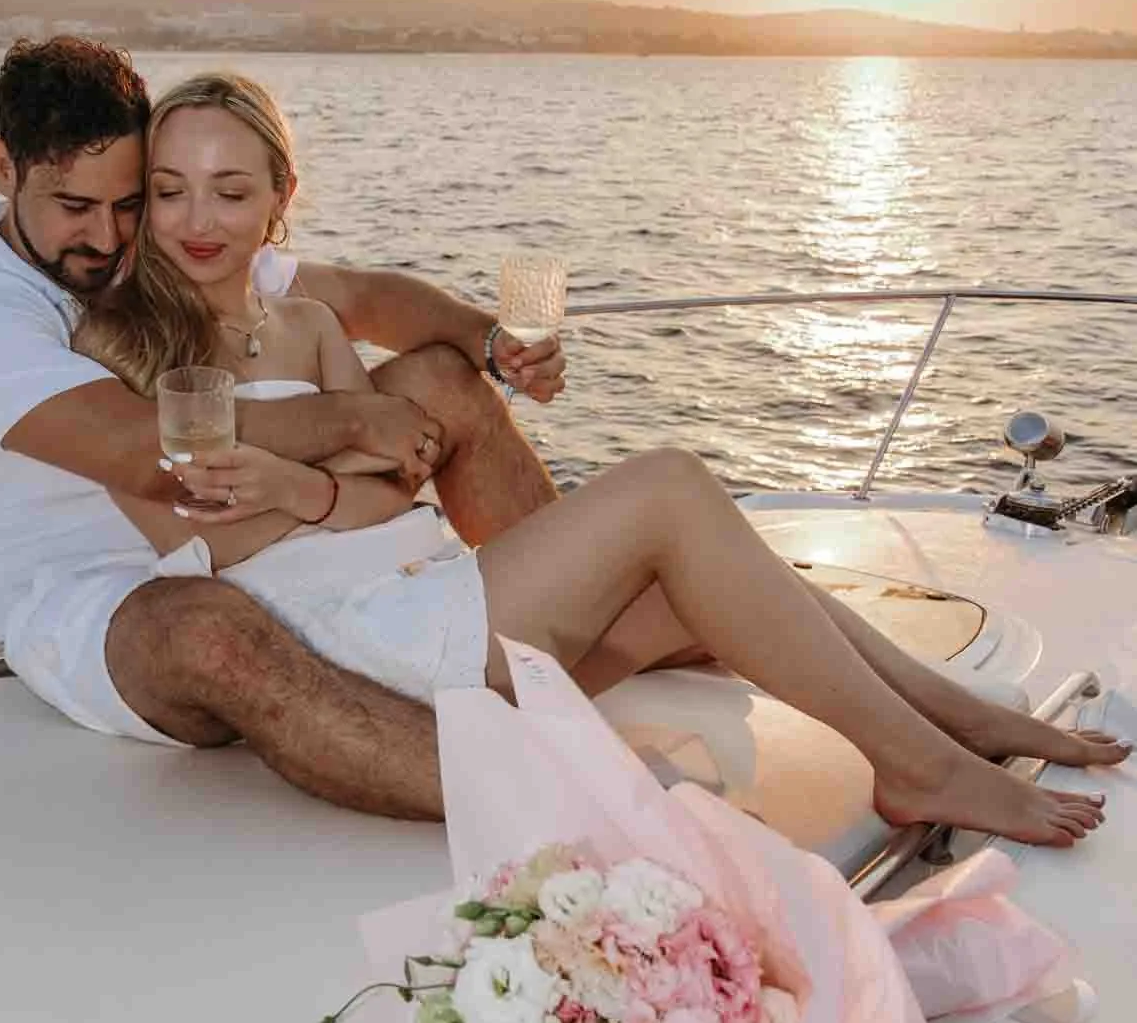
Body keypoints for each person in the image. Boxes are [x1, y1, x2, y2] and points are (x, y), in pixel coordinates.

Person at [73, 67, 1128, 851]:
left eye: (227, 189)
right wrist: (332, 482)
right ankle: (919, 765)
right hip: (353, 645)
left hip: (425, 585)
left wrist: (304, 485)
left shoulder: (303, 322)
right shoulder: (121, 343)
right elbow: (190, 538)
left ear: (279, 195)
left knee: (714, 587)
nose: (196, 220)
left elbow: (389, 485)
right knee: (668, 483)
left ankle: (957, 716)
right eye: (168, 191)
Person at [0, 36, 573, 821]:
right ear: (3, 167)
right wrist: (354, 419)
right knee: (208, 626)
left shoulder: (133, 248)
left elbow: (362, 297)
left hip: (257, 536)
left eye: (128, 203)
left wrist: (490, 342)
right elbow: (147, 450)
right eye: (74, 207)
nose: (109, 238)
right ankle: (541, 807)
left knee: (440, 378)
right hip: (106, 604)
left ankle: (584, 601)